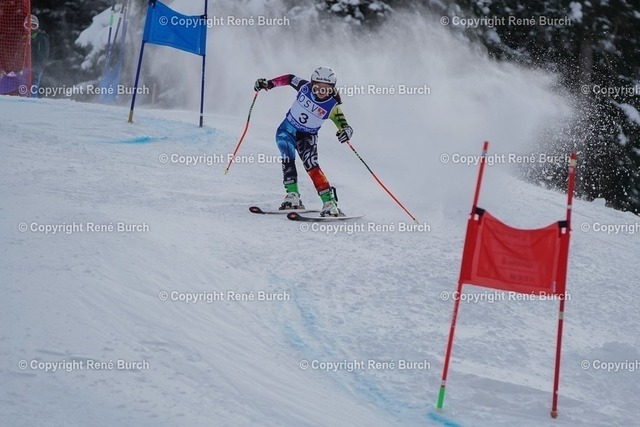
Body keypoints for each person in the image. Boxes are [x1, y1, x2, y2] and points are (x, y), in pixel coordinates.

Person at [254, 66, 353, 217]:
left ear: (332, 88)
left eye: (326, 88)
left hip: (307, 135)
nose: (321, 91)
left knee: (311, 165)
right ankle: (293, 196)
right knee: (287, 157)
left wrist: (346, 131)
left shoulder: (332, 105)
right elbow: (288, 78)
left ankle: (329, 202)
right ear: (312, 84)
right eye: (318, 86)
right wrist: (269, 83)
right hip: (287, 129)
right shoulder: (304, 87)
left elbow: (343, 124)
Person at [28, 14, 49, 96]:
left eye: (33, 25)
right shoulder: (24, 37)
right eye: (28, 26)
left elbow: (43, 54)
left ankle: (33, 102)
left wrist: (39, 67)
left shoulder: (40, 37)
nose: (30, 28)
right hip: (24, 67)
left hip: (36, 67)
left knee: (34, 85)